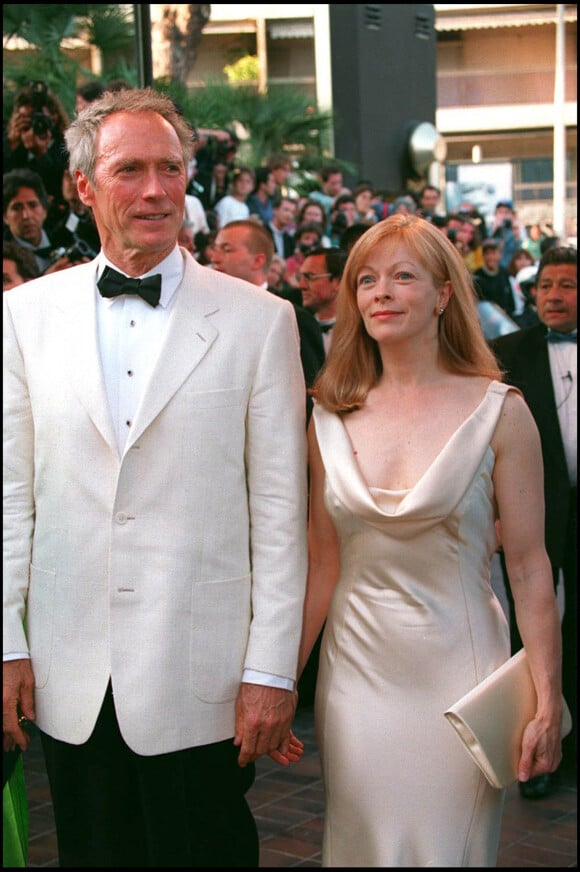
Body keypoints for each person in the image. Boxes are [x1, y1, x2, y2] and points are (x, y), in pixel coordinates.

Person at [3, 86, 308, 868]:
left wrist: (271, 669)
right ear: (83, 185)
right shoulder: (24, 316)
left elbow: (280, 512)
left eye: (170, 168)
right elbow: (11, 495)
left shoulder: (259, 320)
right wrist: (7, 643)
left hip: (202, 674)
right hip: (73, 673)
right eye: (129, 169)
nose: (154, 190)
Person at [295, 213, 564, 867]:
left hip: (459, 680)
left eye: (403, 277)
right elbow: (322, 561)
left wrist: (548, 695)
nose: (380, 292)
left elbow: (529, 567)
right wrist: (278, 681)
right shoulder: (328, 414)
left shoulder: (501, 410)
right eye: (366, 280)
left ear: (444, 293)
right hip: (354, 685)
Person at [491, 245, 576, 799]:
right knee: (531, 628)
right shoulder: (507, 352)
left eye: (566, 285)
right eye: (545, 285)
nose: (552, 295)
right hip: (534, 506)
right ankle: (537, 747)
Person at [209, 219, 325, 424]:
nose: (215, 258)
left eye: (226, 250)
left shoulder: (295, 318)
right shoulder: (203, 311)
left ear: (258, 261)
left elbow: (309, 399)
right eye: (215, 249)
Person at [3, 168, 88, 275]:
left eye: (33, 205)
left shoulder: (64, 238)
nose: (26, 215)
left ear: (44, 210)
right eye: (17, 208)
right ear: (5, 216)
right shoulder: (6, 256)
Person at [297, 246, 347, 355]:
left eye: (309, 277)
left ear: (338, 282)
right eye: (300, 277)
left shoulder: (361, 331)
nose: (301, 285)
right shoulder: (297, 327)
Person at [474, 237, 524, 319]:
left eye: (493, 253)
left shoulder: (505, 273)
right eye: (487, 254)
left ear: (500, 255)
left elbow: (510, 299)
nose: (490, 257)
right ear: (483, 256)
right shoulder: (478, 276)